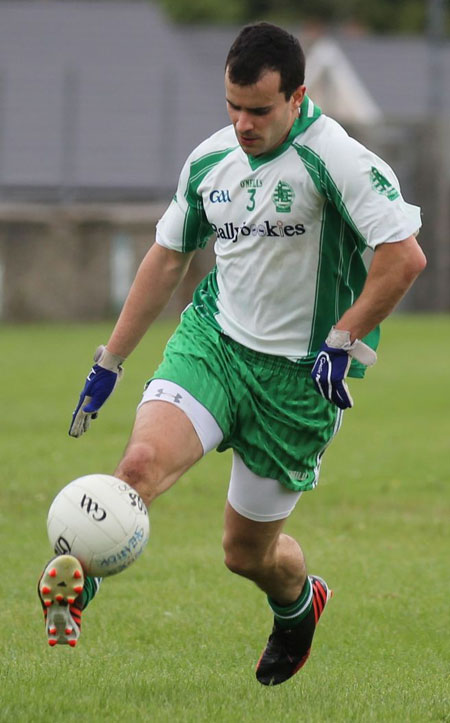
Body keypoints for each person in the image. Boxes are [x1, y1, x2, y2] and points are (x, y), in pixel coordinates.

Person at [38, 22, 426, 685]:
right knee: (137, 466)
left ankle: (299, 605)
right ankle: (80, 581)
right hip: (214, 344)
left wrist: (343, 336)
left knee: (246, 553)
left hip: (300, 380)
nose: (242, 123)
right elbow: (167, 258)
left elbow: (403, 258)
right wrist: (111, 361)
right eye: (232, 105)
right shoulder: (210, 161)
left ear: (298, 96)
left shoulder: (337, 160)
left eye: (259, 110)